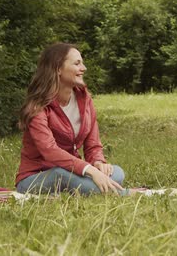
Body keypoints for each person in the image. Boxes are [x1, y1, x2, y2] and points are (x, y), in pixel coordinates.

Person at [16, 43, 130, 196]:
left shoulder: (85, 99)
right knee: (60, 174)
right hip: (35, 177)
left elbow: (93, 144)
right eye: (77, 64)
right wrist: (89, 170)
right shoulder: (38, 107)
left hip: (73, 171)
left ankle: (93, 187)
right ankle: (129, 194)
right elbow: (50, 151)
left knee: (117, 172)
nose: (84, 68)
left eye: (82, 63)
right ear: (58, 69)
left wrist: (98, 163)